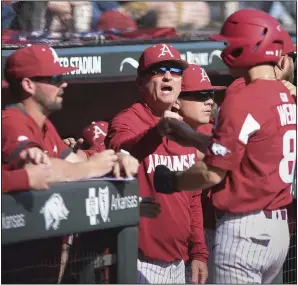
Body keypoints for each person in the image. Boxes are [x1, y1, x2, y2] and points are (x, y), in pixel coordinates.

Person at [154, 9, 296, 284]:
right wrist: (191, 135)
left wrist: (173, 180)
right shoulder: (284, 93)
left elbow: (211, 174)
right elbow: (248, 150)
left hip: (244, 230)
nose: (224, 47)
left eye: (229, 42)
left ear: (247, 44)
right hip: (277, 233)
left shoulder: (243, 97)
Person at [106, 43, 208, 284]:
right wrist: (156, 132)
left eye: (175, 71)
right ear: (140, 83)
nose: (168, 76)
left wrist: (199, 252)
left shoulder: (184, 129)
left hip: (179, 262)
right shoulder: (127, 119)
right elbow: (121, 149)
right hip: (139, 259)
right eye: (159, 70)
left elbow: (192, 199)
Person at [2, 45, 139, 183]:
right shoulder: (10, 122)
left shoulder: (45, 125)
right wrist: (91, 168)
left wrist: (116, 160)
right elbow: (36, 171)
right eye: (56, 79)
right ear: (28, 85)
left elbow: (74, 162)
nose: (64, 84)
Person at [171, 64, 226, 283]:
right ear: (176, 99)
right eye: (200, 95)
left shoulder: (212, 130)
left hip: (209, 234)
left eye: (210, 94)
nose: (209, 101)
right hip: (177, 244)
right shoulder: (163, 131)